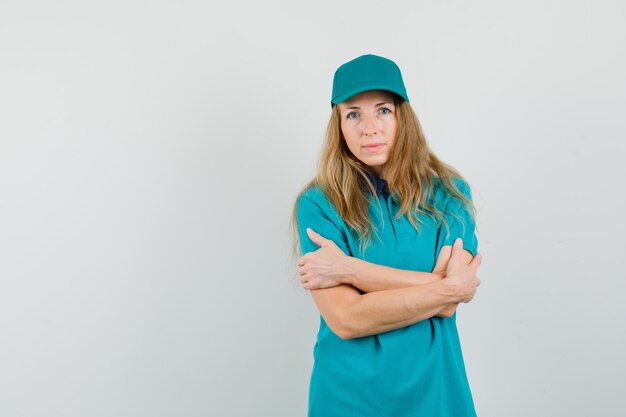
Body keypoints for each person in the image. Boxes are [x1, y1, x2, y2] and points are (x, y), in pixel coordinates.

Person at [290, 54, 483, 417]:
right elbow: (347, 319)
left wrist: (349, 270)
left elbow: (447, 304)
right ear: (339, 125)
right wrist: (444, 286)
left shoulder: (450, 194)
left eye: (383, 110)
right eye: (353, 114)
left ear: (402, 117)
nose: (369, 127)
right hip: (348, 399)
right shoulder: (318, 204)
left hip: (436, 393)